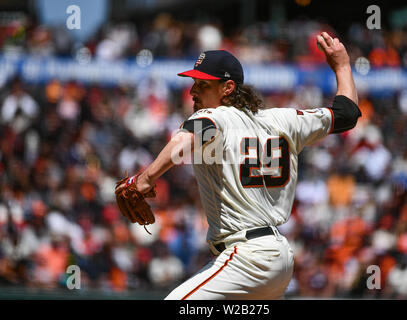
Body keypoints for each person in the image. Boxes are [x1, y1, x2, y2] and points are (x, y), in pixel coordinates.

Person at [116, 31, 361, 299]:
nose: (193, 91)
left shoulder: (214, 115)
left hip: (246, 257)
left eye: (203, 85)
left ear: (228, 88)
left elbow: (195, 132)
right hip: (276, 258)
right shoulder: (285, 120)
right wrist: (343, 66)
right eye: (194, 83)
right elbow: (346, 114)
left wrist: (146, 178)